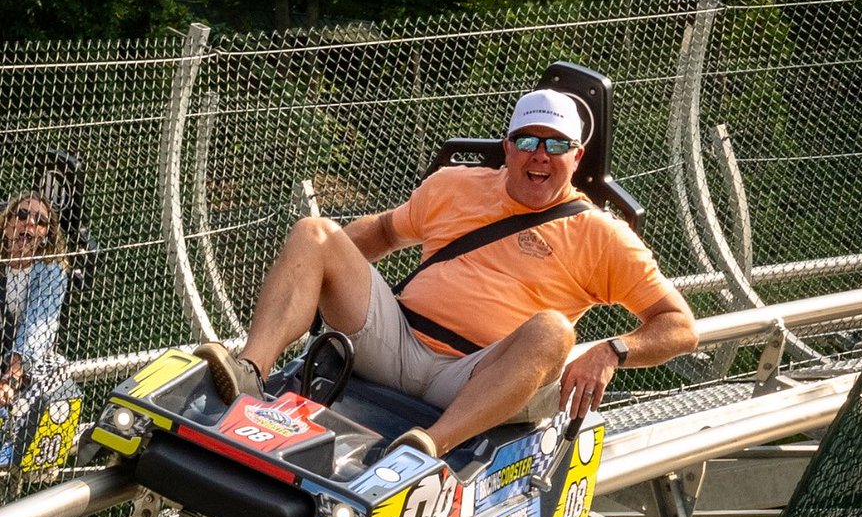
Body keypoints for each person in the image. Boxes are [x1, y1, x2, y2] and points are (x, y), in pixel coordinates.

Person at [198, 88, 698, 458]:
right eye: (527, 140)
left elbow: (678, 325)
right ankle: (250, 372)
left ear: (576, 155)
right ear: (508, 146)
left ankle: (427, 448)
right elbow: (385, 231)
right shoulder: (455, 184)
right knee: (314, 231)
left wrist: (612, 352)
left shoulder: (602, 235)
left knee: (555, 331)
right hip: (393, 343)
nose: (539, 155)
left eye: (555, 144)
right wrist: (314, 277)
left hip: (474, 379)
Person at [0, 192, 72, 466]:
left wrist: (11, 378)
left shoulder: (51, 272)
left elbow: (39, 325)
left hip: (26, 360)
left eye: (40, 221)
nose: (29, 224)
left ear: (44, 235)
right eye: (21, 215)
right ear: (7, 225)